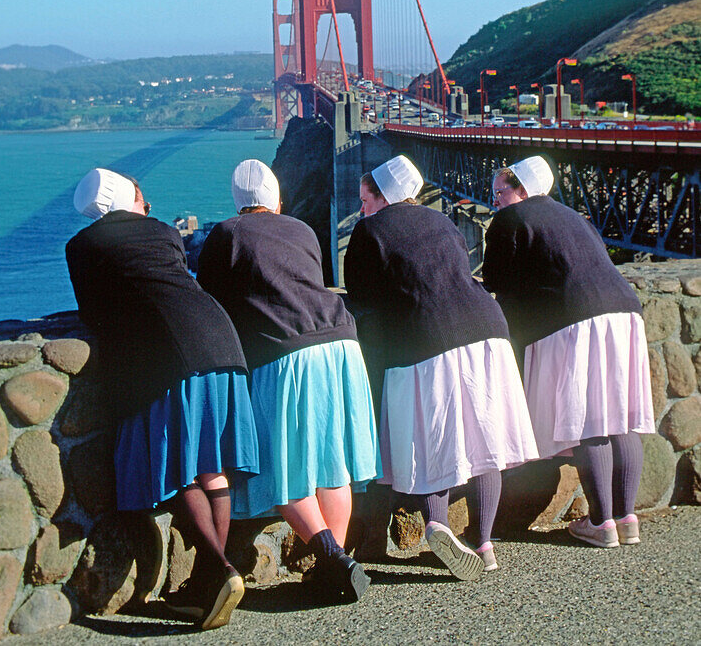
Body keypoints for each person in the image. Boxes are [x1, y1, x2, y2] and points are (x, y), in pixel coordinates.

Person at [66, 168, 259, 630]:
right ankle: (204, 583)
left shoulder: (83, 246)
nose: (147, 205)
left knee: (175, 469)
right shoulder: (163, 231)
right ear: (126, 198)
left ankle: (217, 570)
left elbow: (93, 313)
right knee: (211, 465)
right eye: (140, 196)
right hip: (219, 340)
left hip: (166, 353)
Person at [344, 155, 538, 578]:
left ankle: (437, 526)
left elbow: (360, 296)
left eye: (365, 200)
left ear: (383, 196)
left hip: (424, 337)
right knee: (487, 445)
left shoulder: (369, 230)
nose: (361, 209)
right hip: (487, 329)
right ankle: (484, 543)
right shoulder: (443, 222)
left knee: (431, 436)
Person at [196, 159, 379, 603]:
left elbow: (210, 302)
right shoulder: (300, 230)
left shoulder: (225, 235)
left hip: (285, 354)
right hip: (341, 345)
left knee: (282, 469)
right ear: (277, 200)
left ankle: (333, 558)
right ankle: (331, 571)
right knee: (332, 463)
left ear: (238, 203)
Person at [482, 156, 655, 548]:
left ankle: (601, 523)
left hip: (571, 318)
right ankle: (627, 519)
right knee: (619, 416)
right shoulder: (574, 216)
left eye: (500, 192)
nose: (495, 201)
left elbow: (495, 278)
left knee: (590, 419)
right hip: (623, 312)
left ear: (521, 190)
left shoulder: (511, 220)